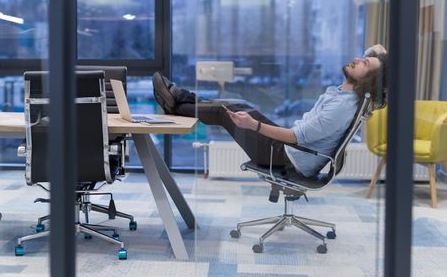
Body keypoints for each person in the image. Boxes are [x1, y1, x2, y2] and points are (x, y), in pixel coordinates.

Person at [153, 45, 388, 178]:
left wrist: (253, 126)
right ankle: (178, 101)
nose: (358, 58)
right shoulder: (346, 94)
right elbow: (375, 65)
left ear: (368, 80)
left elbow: (298, 137)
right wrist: (376, 52)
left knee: (229, 113)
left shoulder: (342, 107)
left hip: (288, 158)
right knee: (240, 104)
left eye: (365, 63)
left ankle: (176, 101)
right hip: (292, 150)